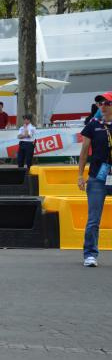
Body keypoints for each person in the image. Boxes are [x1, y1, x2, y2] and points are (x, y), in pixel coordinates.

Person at [77, 91, 112, 267]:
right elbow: (84, 151)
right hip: (97, 177)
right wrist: (80, 176)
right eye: (100, 103)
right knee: (93, 219)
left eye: (107, 103)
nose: (103, 106)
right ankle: (90, 254)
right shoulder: (93, 125)